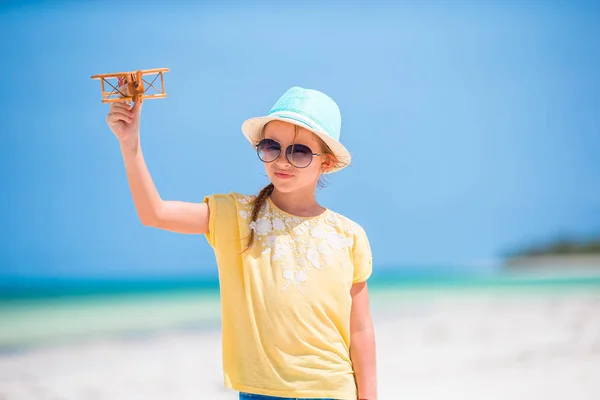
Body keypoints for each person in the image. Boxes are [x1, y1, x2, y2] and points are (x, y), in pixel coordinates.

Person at [105, 86, 377, 400]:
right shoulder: (236, 216)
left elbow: (360, 330)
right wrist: (130, 144)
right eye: (271, 147)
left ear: (326, 163)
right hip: (262, 391)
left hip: (333, 390)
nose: (282, 160)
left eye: (299, 151)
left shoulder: (348, 235)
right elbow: (156, 213)